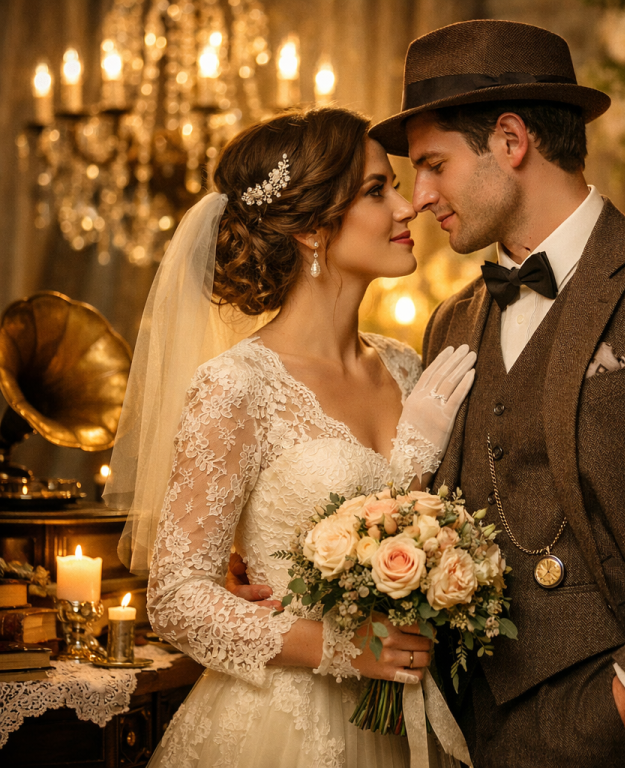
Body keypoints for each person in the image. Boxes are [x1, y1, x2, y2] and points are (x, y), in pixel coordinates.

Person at [364, 19, 625, 768]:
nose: (417, 197)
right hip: (476, 735)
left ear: (511, 141)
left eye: (432, 165)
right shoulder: (451, 320)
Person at [105, 107, 477, 768]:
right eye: (375, 191)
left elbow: (419, 526)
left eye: (396, 186)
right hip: (279, 727)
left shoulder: (408, 367)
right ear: (311, 229)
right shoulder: (236, 385)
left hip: (403, 721)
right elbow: (176, 599)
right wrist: (341, 647)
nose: (406, 207)